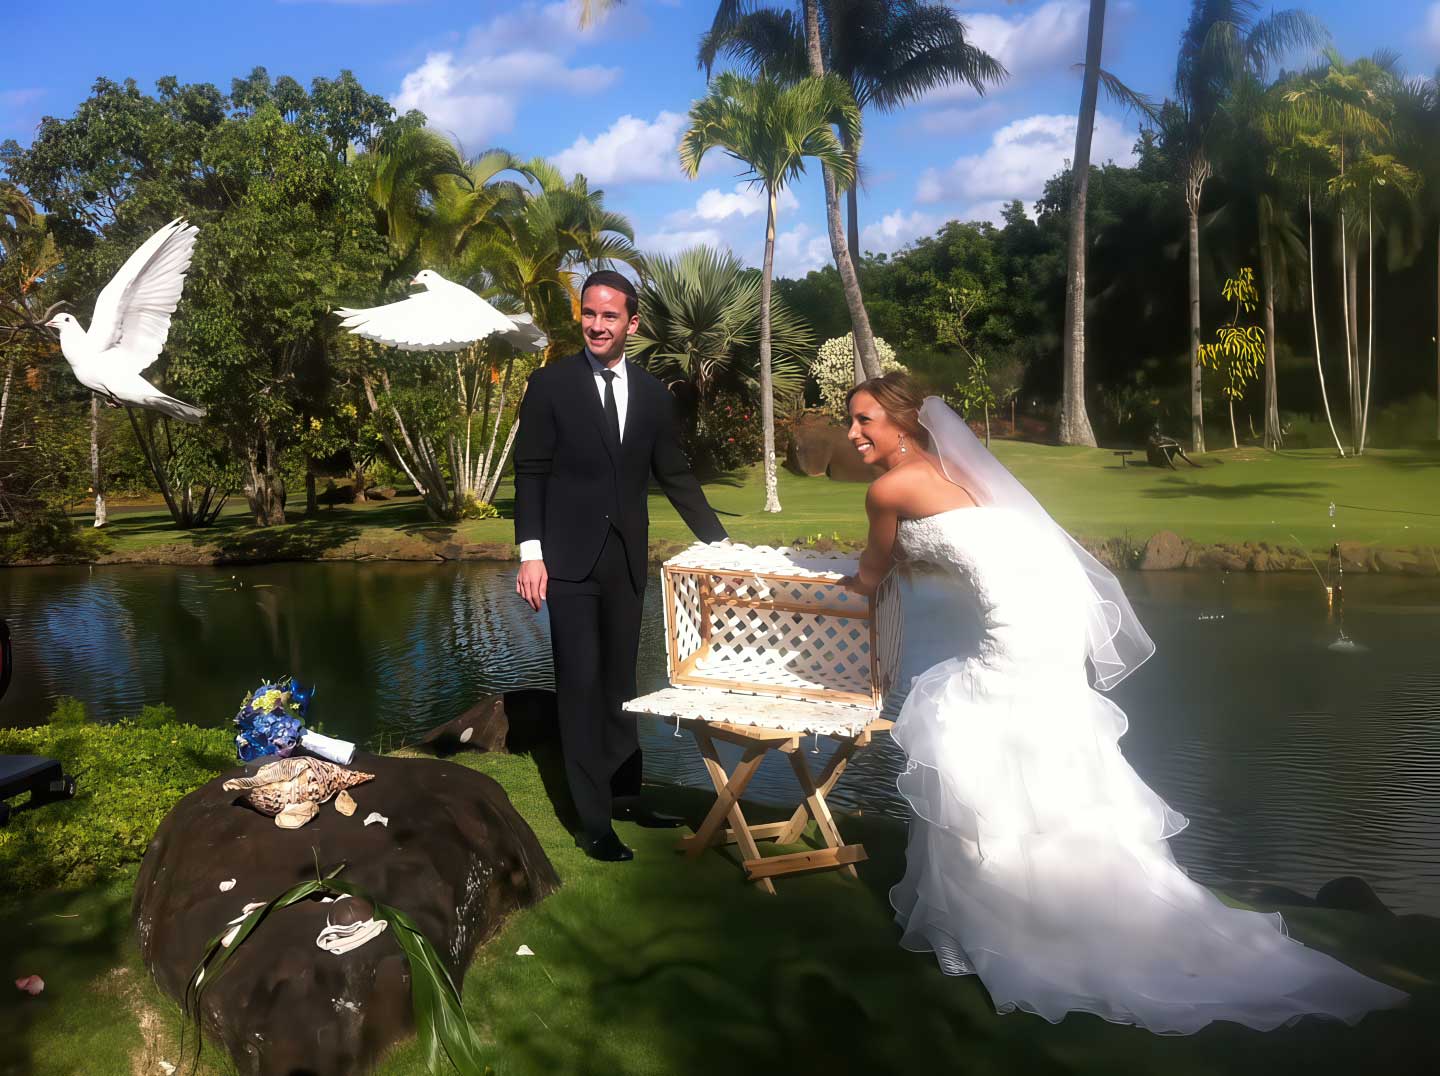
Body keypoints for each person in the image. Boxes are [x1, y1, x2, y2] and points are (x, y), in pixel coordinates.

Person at [843, 373, 1405, 1033]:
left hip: (1021, 632)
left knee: (961, 715)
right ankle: (1067, 880)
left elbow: (868, 576)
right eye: (851, 421)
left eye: (865, 420)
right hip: (1047, 617)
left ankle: (1015, 908)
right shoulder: (952, 465)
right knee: (1035, 740)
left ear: (904, 423)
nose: (853, 434)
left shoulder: (888, 488)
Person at [513, 271, 728, 862]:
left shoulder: (655, 396)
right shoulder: (550, 386)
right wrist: (530, 554)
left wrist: (721, 545)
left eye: (610, 316)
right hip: (567, 563)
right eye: (589, 314)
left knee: (620, 685)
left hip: (626, 560)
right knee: (580, 686)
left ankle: (626, 793)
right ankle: (593, 820)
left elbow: (676, 478)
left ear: (631, 323)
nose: (597, 325)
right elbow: (529, 473)